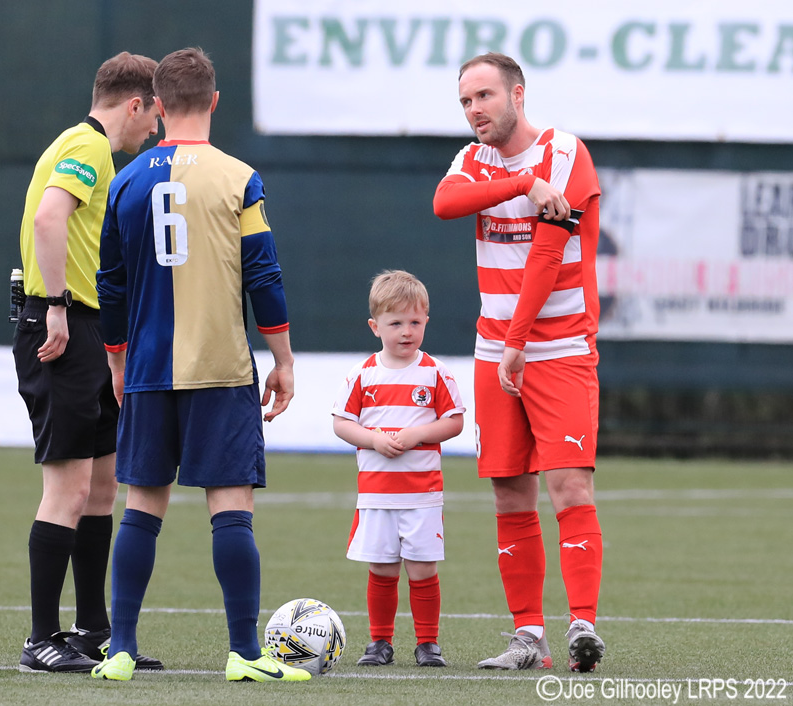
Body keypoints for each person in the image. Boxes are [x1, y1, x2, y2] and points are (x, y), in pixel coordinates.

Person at [90, 47, 310, 683]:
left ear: (158, 107)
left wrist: (115, 360)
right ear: (214, 101)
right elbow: (263, 276)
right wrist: (284, 359)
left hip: (151, 370)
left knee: (140, 508)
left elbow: (111, 285)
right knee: (231, 507)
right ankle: (244, 654)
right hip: (220, 368)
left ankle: (121, 650)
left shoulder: (125, 180)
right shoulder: (240, 177)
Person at [432, 52, 606, 673]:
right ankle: (528, 639)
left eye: (484, 96)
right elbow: (445, 203)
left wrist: (517, 342)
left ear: (518, 94)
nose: (475, 110)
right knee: (510, 494)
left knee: (568, 486)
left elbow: (548, 257)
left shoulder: (566, 154)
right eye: (465, 102)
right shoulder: (473, 159)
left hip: (556, 348)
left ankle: (582, 625)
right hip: (495, 349)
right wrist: (518, 185)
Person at [12, 51, 162, 674]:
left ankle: (92, 630)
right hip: (64, 325)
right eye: (152, 115)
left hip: (91, 329)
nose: (152, 130)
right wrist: (54, 305)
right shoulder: (89, 145)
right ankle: (40, 638)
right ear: (134, 104)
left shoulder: (89, 148)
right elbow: (51, 216)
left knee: (102, 486)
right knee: (69, 486)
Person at [332, 270, 464, 668]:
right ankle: (379, 643)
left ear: (426, 321)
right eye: (396, 323)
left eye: (415, 322)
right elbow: (341, 423)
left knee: (423, 568)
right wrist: (372, 439)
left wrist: (417, 434)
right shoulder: (361, 374)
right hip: (376, 495)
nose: (406, 331)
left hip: (422, 494)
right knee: (382, 566)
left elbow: (455, 420)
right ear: (375, 326)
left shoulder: (436, 372)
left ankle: (428, 643)